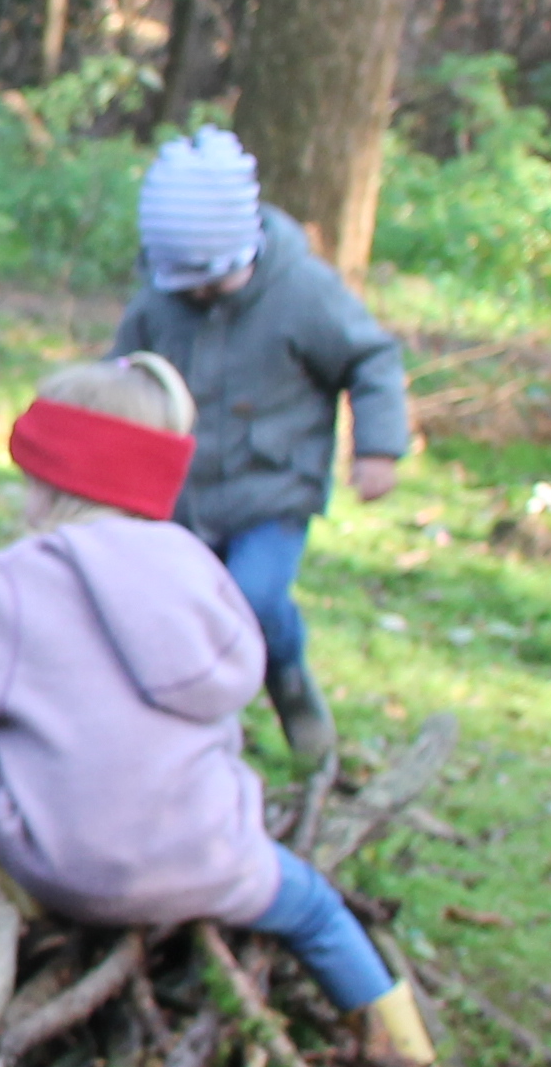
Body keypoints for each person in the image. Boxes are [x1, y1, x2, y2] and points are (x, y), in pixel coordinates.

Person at [0, 355, 431, 1061]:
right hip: (212, 863)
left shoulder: (22, 578)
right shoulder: (198, 572)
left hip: (61, 867)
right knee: (317, 914)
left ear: (51, 474)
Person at [110, 127, 410, 770]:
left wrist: (378, 448)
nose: (195, 298)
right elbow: (121, 376)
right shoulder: (160, 303)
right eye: (183, 286)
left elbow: (371, 359)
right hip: (182, 499)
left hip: (272, 491)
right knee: (182, 611)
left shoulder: (303, 292)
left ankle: (287, 683)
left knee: (252, 600)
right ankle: (181, 728)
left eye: (209, 285)